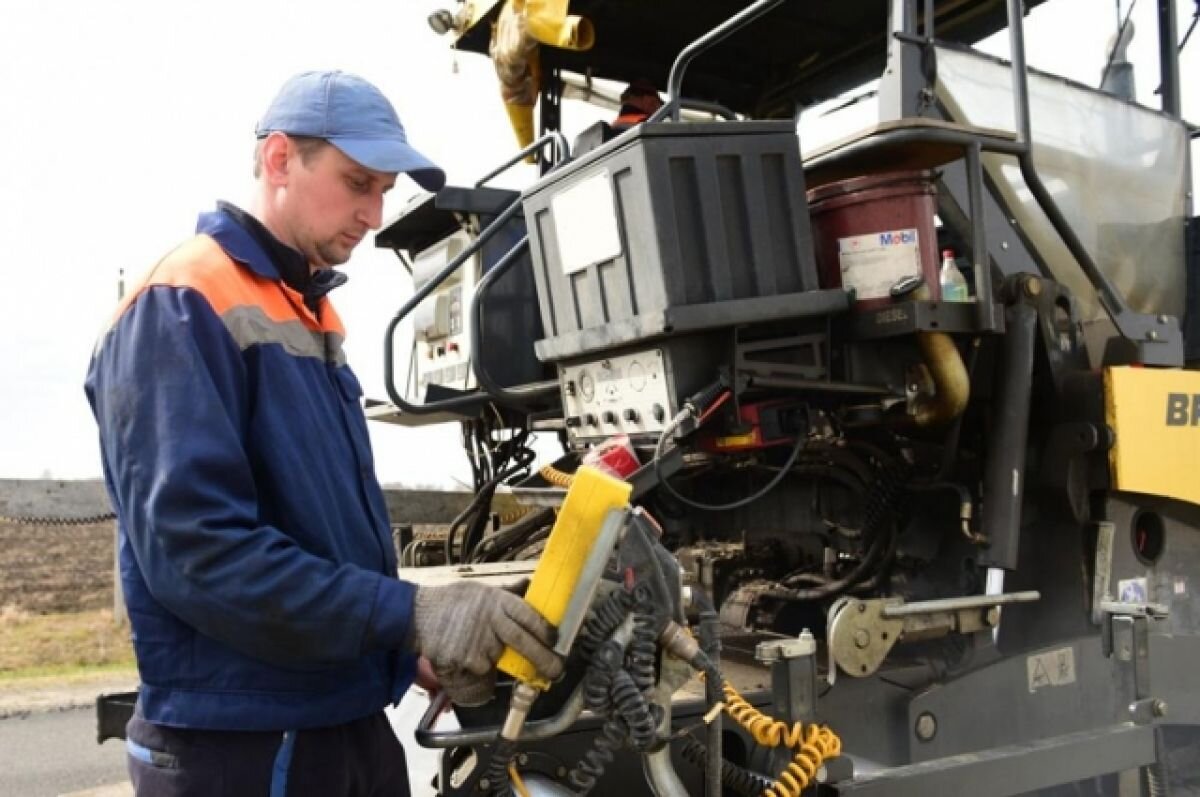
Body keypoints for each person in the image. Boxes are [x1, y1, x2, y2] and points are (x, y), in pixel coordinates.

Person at [85, 70, 563, 797]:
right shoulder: (183, 301)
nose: (374, 214)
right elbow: (200, 553)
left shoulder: (307, 312)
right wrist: (410, 613)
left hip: (334, 724)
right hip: (243, 745)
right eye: (358, 182)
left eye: (384, 192)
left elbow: (319, 535)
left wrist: (404, 655)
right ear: (279, 160)